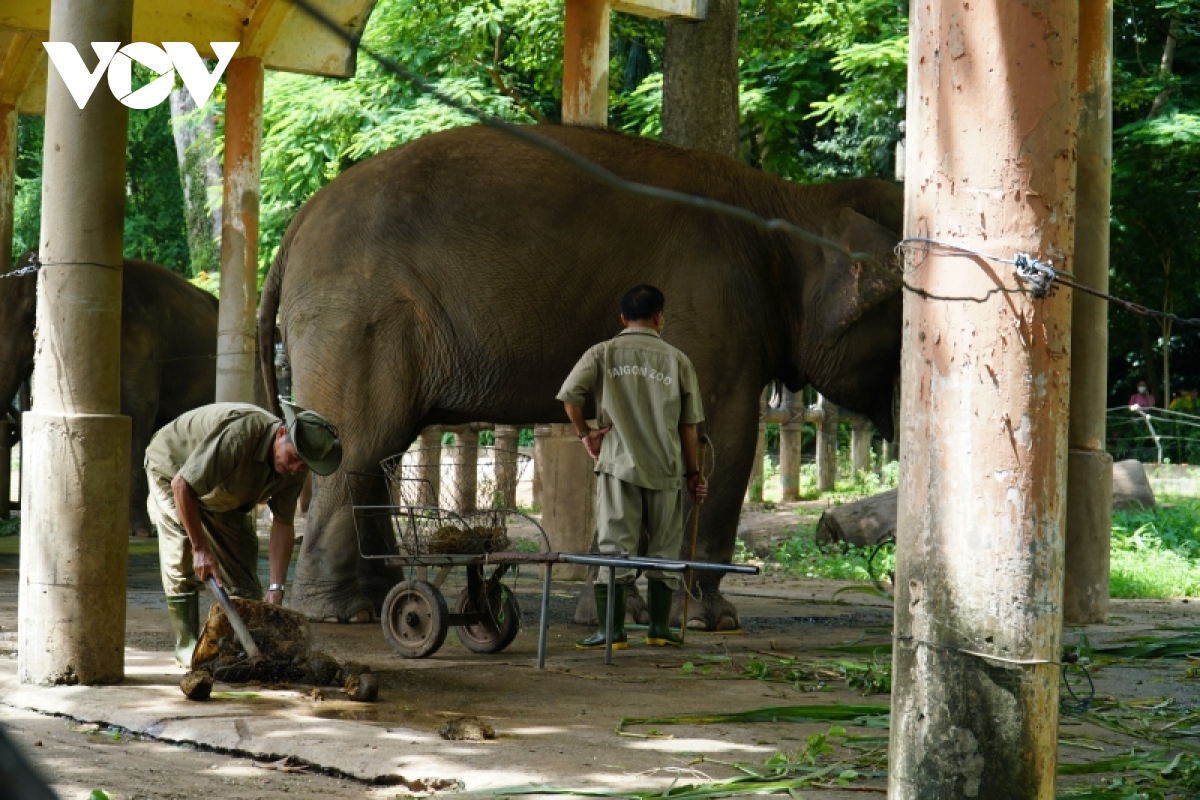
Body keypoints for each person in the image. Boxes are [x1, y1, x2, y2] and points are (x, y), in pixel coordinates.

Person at [557, 285, 707, 649]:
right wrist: (693, 474)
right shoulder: (678, 360)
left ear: (623, 318)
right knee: (665, 549)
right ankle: (659, 629)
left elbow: (570, 398)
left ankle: (613, 631)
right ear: (660, 317)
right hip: (667, 469)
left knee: (615, 548)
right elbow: (689, 427)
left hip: (618, 468)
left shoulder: (603, 352)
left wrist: (586, 435)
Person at [145, 401, 342, 667]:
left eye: (304, 465)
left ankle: (238, 642)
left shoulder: (295, 467)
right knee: (184, 545)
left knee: (245, 584)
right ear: (282, 434)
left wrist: (276, 588)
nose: (297, 468)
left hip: (224, 492)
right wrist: (201, 548)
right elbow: (183, 485)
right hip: (172, 472)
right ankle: (187, 644)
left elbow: (283, 523)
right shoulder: (241, 435)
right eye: (294, 458)